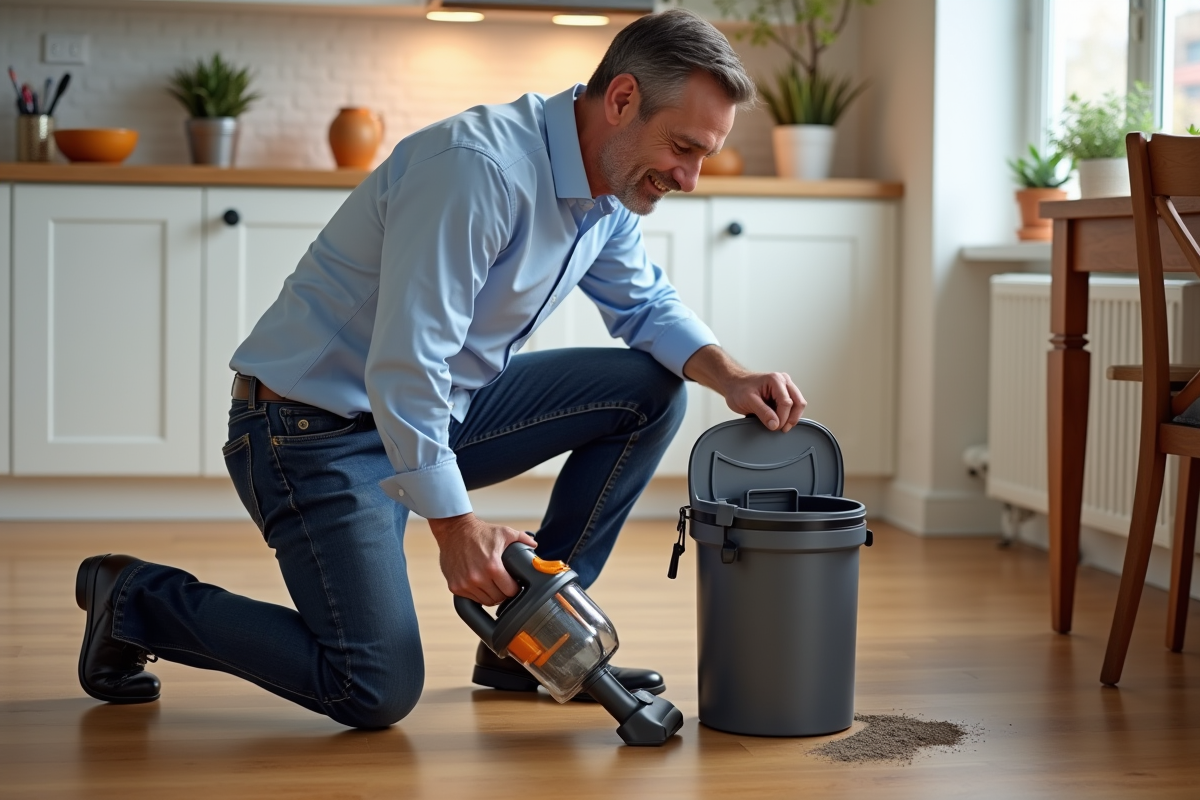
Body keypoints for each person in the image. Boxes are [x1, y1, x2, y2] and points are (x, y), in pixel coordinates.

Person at [74, 8, 806, 728]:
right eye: (684, 147)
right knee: (373, 687)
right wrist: (456, 526)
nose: (691, 177)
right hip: (310, 431)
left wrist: (732, 377)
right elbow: (408, 362)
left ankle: (532, 645)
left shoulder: (608, 187)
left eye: (703, 153)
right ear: (621, 101)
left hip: (438, 410)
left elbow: (645, 306)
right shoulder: (480, 170)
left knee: (651, 390)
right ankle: (133, 597)